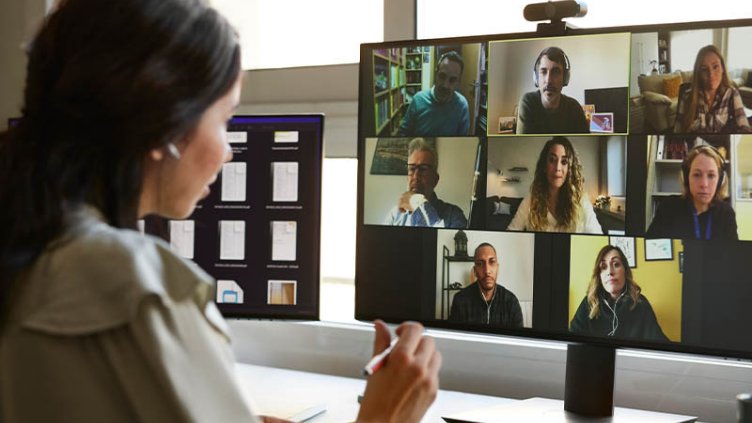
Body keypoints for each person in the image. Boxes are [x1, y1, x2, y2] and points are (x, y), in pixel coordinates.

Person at [0, 1, 441, 422]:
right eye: (225, 120)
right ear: (165, 128)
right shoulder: (139, 288)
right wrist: (384, 416)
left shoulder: (28, 251)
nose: (228, 151)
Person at [570, 245, 668, 341]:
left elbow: (658, 341)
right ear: (599, 275)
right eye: (604, 267)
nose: (610, 272)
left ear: (625, 271)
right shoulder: (590, 302)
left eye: (616, 264)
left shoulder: (640, 303)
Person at [507, 137, 602, 234]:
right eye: (552, 160)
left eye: (564, 162)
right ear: (544, 166)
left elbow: (599, 238)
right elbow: (509, 234)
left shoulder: (582, 203)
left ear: (570, 169)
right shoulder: (530, 202)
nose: (558, 168)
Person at [646, 144, 738, 240]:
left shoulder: (726, 213)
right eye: (697, 175)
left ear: (720, 180)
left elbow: (732, 253)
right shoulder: (668, 207)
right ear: (686, 178)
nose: (704, 184)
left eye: (711, 175)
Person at [384, 137, 468, 228]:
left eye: (423, 169)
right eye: (412, 169)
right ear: (407, 178)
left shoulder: (454, 216)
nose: (416, 177)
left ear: (435, 180)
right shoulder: (394, 216)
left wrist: (418, 202)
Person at [674, 45, 751, 133]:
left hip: (721, 146)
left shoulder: (732, 94)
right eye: (704, 69)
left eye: (715, 67)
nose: (711, 75)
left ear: (722, 68)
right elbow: (677, 130)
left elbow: (744, 127)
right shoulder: (687, 96)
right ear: (698, 73)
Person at [516, 46, 589, 134]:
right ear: (536, 78)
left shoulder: (574, 108)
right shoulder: (528, 102)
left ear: (565, 78)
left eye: (556, 72)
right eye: (543, 72)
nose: (548, 80)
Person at [449, 243, 523, 327]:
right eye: (480, 264)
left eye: (492, 262)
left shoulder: (511, 302)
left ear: (497, 268)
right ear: (475, 271)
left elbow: (518, 338)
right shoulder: (460, 300)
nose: (487, 270)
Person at [398, 51, 470, 136]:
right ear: (436, 74)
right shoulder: (418, 100)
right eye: (442, 76)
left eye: (452, 80)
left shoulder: (462, 105)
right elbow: (403, 133)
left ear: (458, 82)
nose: (445, 85)